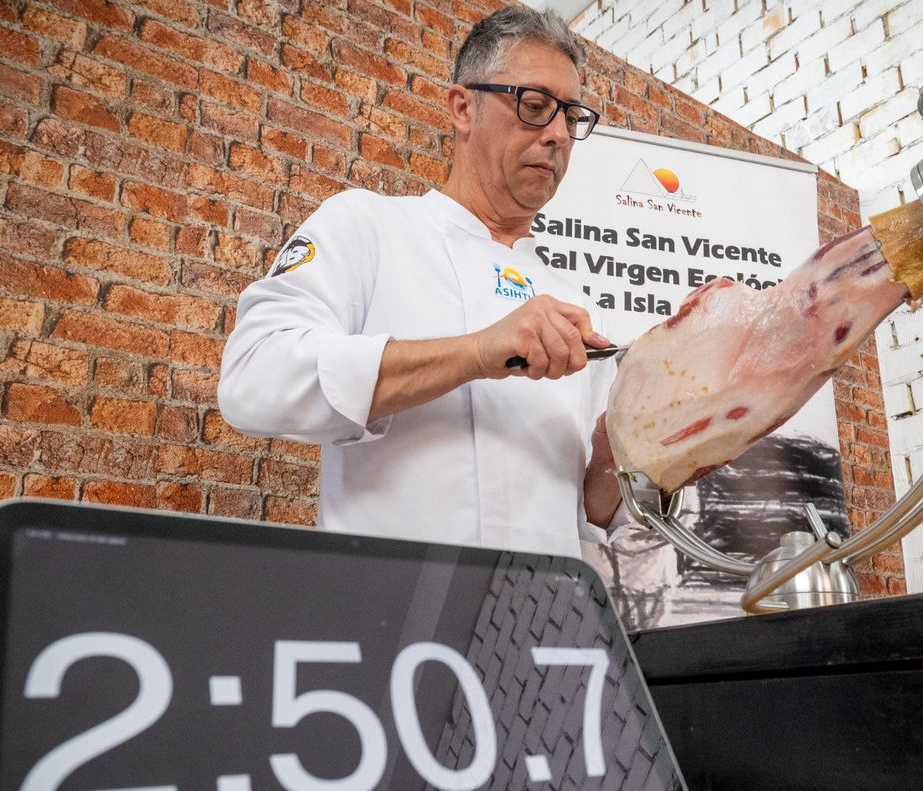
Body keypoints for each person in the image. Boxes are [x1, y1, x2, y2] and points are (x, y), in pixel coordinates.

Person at [219, 7, 625, 557]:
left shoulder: (574, 305)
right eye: (534, 107)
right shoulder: (367, 226)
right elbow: (253, 378)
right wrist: (476, 352)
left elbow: (587, 520)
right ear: (462, 107)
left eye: (571, 118)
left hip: (541, 624)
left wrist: (608, 463)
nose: (557, 134)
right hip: (391, 623)